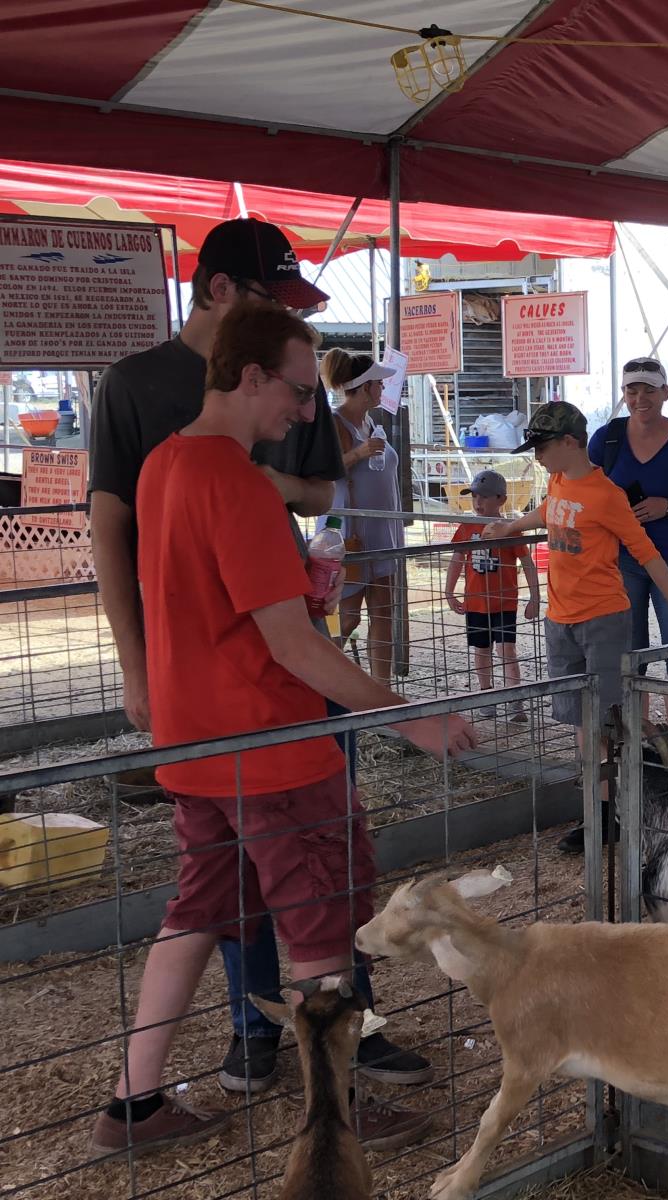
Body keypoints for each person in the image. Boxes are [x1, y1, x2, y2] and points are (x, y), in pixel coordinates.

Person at [89, 306, 477, 1158]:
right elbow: (289, 645)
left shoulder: (163, 465)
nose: (306, 412)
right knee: (321, 927)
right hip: (269, 743)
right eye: (299, 392)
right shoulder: (233, 479)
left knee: (195, 913)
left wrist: (301, 588)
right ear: (252, 374)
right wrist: (410, 716)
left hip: (197, 746)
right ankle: (332, 1116)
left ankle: (132, 1103)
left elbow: (227, 606)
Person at [486, 402, 668, 853]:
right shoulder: (559, 480)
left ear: (570, 443)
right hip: (560, 618)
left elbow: (646, 553)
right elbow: (548, 511)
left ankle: (612, 813)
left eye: (544, 447)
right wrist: (510, 526)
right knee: (582, 722)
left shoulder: (607, 495)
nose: (538, 455)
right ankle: (609, 807)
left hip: (603, 618)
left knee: (604, 723)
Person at [589, 357, 668, 768]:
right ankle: (639, 736)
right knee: (629, 649)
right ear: (624, 395)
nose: (640, 398)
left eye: (648, 389)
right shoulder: (606, 439)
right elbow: (585, 491)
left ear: (664, 392)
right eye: (631, 390)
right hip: (620, 558)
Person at [319, 348, 402, 683]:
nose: (382, 390)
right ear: (365, 387)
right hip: (349, 531)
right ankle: (326, 682)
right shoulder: (334, 424)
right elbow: (323, 471)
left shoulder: (370, 424)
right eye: (378, 385)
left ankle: (382, 691)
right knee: (347, 616)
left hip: (381, 530)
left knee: (383, 613)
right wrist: (358, 453)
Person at [446, 470, 541, 718]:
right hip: (475, 603)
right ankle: (486, 695)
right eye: (475, 497)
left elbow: (527, 563)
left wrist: (535, 597)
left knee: (507, 649)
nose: (478, 503)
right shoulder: (466, 528)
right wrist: (449, 592)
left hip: (504, 602)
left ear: (501, 499)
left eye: (484, 497)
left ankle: (514, 699)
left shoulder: (511, 528)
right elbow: (456, 559)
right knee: (482, 649)